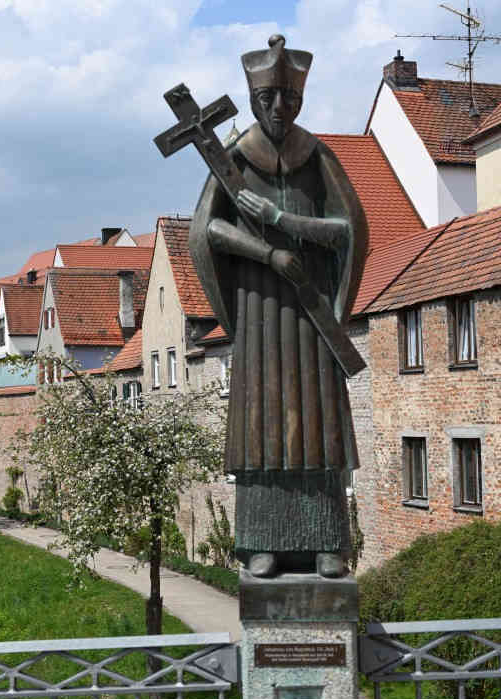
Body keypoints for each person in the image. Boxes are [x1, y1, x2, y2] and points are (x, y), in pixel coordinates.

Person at [188, 35, 367, 578]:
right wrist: (266, 251)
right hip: (260, 308)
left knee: (318, 419)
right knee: (263, 422)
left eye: (288, 99)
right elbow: (205, 233)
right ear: (252, 99)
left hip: (310, 309)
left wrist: (283, 220)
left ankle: (327, 541)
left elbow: (351, 230)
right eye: (267, 99)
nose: (278, 109)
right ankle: (261, 540)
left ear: (300, 100)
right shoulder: (235, 156)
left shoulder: (318, 155)